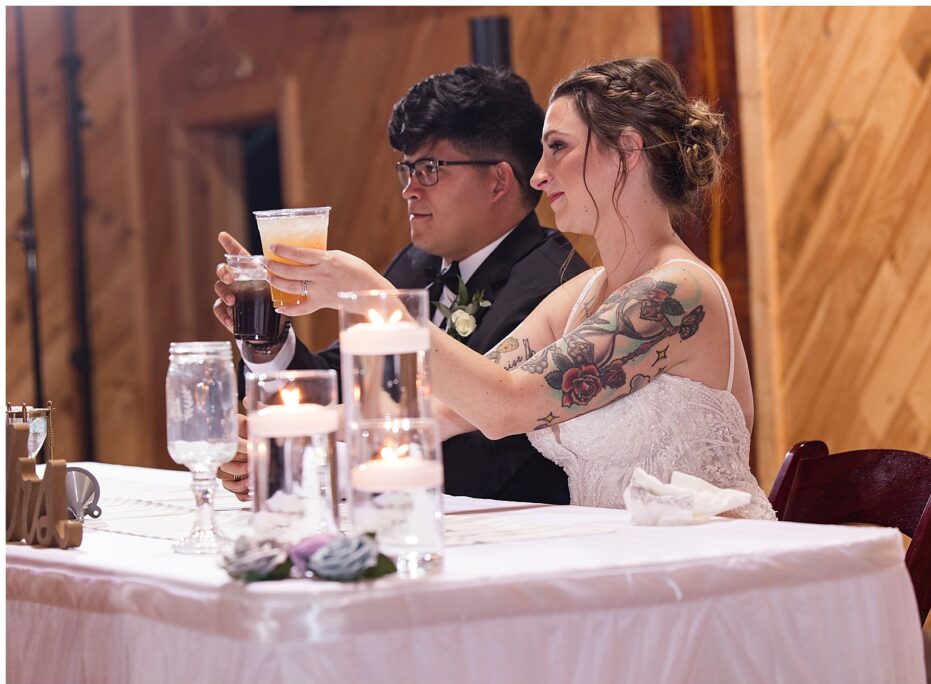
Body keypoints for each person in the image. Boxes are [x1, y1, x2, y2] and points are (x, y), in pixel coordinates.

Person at [264, 57, 776, 519]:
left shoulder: (678, 293)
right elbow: (452, 406)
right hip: (616, 567)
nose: (538, 175)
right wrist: (294, 432)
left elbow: (508, 408)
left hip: (707, 567)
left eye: (557, 148)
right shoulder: (578, 297)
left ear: (626, 150)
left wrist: (371, 294)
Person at [213, 65, 589, 505]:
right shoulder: (415, 266)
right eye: (407, 170)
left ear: (499, 181)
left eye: (429, 169)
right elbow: (341, 385)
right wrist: (267, 336)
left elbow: (477, 459)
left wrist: (293, 462)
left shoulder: (553, 282)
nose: (409, 190)